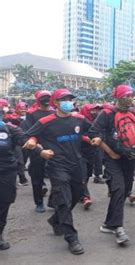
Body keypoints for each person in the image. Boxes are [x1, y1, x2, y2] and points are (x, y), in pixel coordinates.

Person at [24, 88, 90, 255]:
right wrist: (39, 150)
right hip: (57, 165)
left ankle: (56, 220)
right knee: (64, 199)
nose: (68, 101)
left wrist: (95, 138)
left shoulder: (80, 119)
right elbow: (28, 137)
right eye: (64, 99)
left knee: (77, 195)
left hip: (76, 164)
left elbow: (93, 131)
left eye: (70, 98)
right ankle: (71, 237)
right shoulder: (46, 121)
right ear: (55, 103)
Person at [89, 85, 135, 244]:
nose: (130, 99)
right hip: (113, 159)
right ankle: (118, 228)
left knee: (124, 190)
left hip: (130, 159)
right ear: (118, 97)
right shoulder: (106, 114)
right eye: (126, 96)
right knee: (119, 189)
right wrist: (109, 151)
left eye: (131, 96)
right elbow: (93, 133)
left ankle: (109, 224)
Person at [0, 102, 42, 250]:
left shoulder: (9, 129)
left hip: (6, 171)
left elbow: (25, 139)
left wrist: (34, 145)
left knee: (4, 202)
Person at [21, 90, 55, 213]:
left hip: (53, 148)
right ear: (38, 100)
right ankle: (39, 202)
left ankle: (53, 201)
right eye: (43, 97)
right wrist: (34, 142)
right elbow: (28, 131)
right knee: (37, 177)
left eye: (48, 97)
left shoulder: (55, 112)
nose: (46, 99)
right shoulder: (32, 113)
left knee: (57, 177)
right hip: (37, 148)